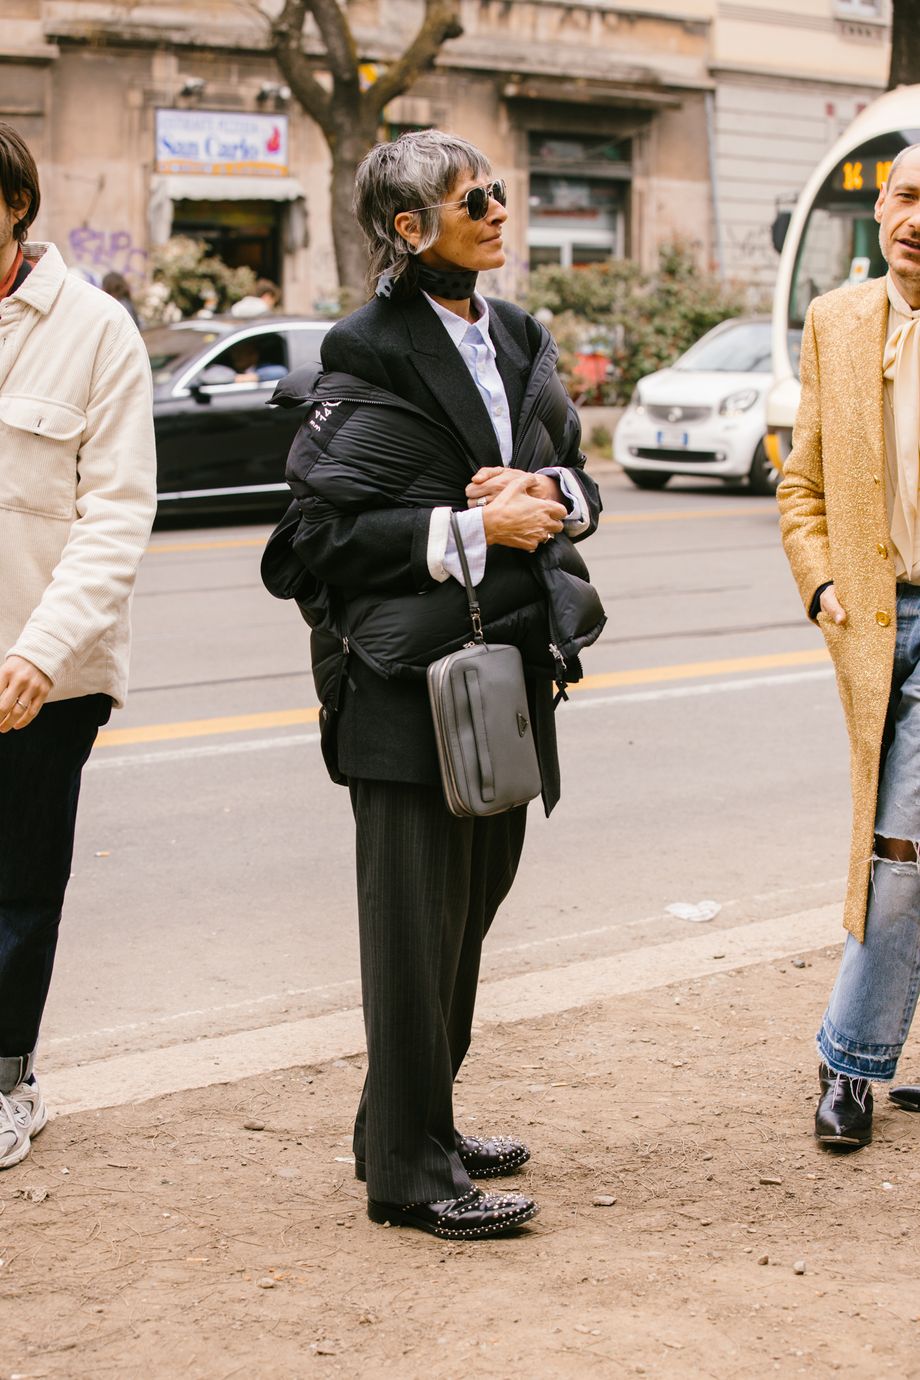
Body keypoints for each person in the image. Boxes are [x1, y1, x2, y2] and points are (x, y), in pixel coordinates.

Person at [273, 130, 603, 1241]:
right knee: (412, 929)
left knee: (467, 913)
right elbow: (325, 532)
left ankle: (410, 1122)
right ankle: (408, 1178)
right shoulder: (364, 348)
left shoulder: (517, 333)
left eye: (501, 190)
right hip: (399, 682)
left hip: (503, 672)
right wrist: (474, 525)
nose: (502, 208)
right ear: (410, 231)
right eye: (477, 198)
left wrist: (544, 488)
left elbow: (579, 482)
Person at [0, 122, 157, 1168]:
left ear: (14, 204)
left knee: (14, 887)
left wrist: (41, 651)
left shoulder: (94, 331)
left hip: (41, 677)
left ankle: (10, 1079)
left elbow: (117, 514)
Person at [778, 142, 920, 1150]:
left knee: (900, 841)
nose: (917, 217)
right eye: (908, 195)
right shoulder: (836, 321)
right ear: (881, 211)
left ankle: (849, 1060)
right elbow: (801, 484)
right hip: (872, 619)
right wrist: (819, 581)